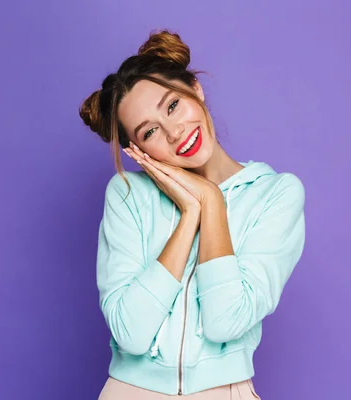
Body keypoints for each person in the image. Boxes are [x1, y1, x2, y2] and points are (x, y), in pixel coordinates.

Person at [79, 29, 305, 399]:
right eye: (150, 131)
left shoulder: (276, 194)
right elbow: (131, 333)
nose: (174, 131)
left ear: (195, 91)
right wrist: (190, 214)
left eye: (172, 106)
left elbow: (225, 320)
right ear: (138, 149)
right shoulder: (128, 194)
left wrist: (211, 200)